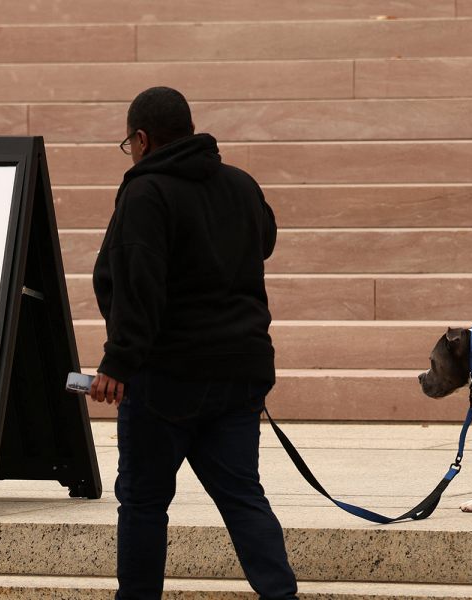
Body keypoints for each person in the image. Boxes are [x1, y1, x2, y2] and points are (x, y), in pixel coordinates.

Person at [89, 86, 299, 600]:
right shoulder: (242, 185)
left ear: (142, 138)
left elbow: (137, 284)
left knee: (143, 503)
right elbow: (264, 242)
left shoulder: (146, 192)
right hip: (239, 372)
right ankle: (281, 596)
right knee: (243, 498)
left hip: (166, 378)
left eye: (129, 143)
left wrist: (117, 361)